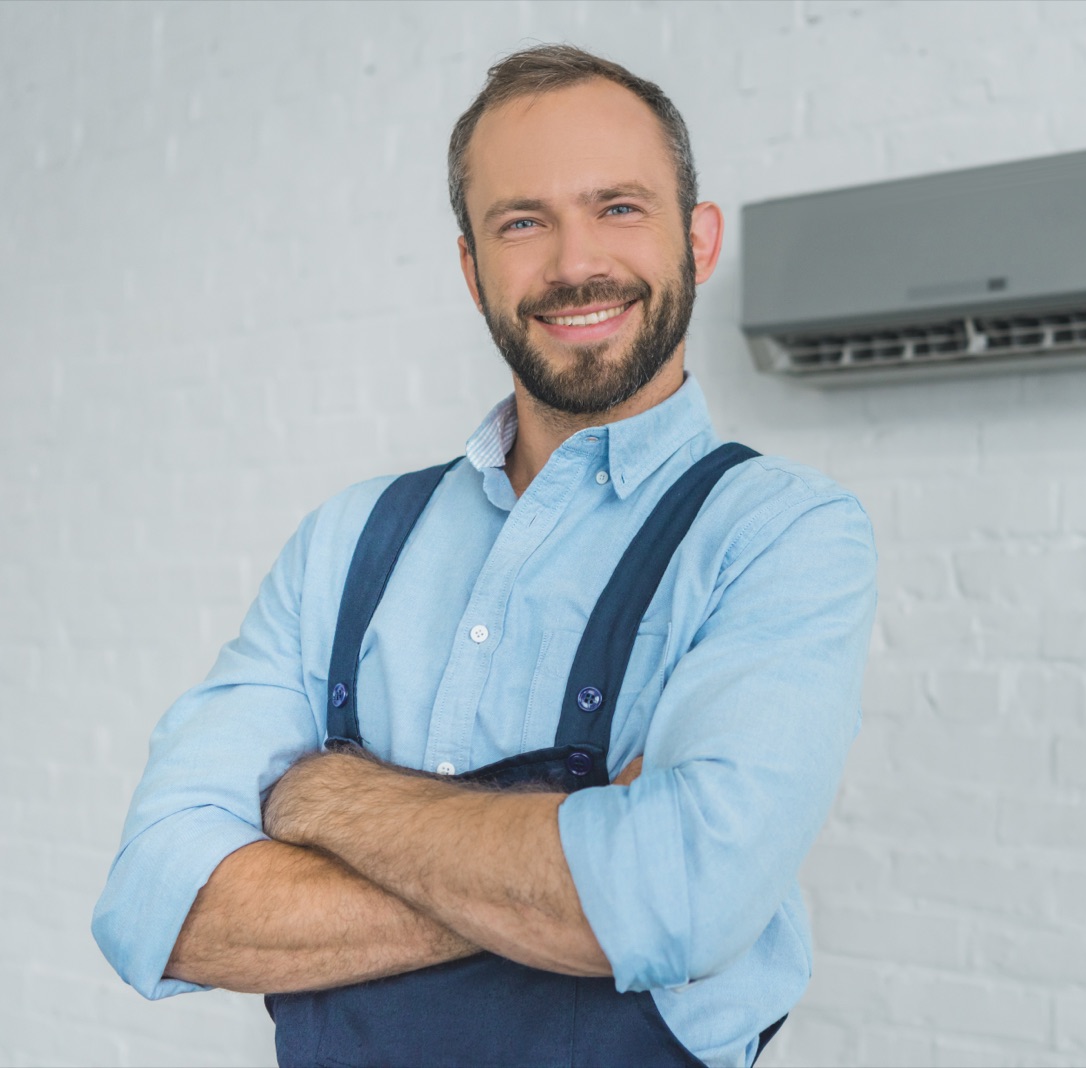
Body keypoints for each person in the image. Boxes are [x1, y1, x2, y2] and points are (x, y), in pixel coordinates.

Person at [91, 44, 876, 1068]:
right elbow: (165, 906)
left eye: (619, 208)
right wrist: (580, 857)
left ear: (698, 239)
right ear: (471, 268)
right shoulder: (347, 540)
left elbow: (687, 897)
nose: (573, 263)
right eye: (521, 222)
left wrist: (325, 798)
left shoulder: (778, 533)